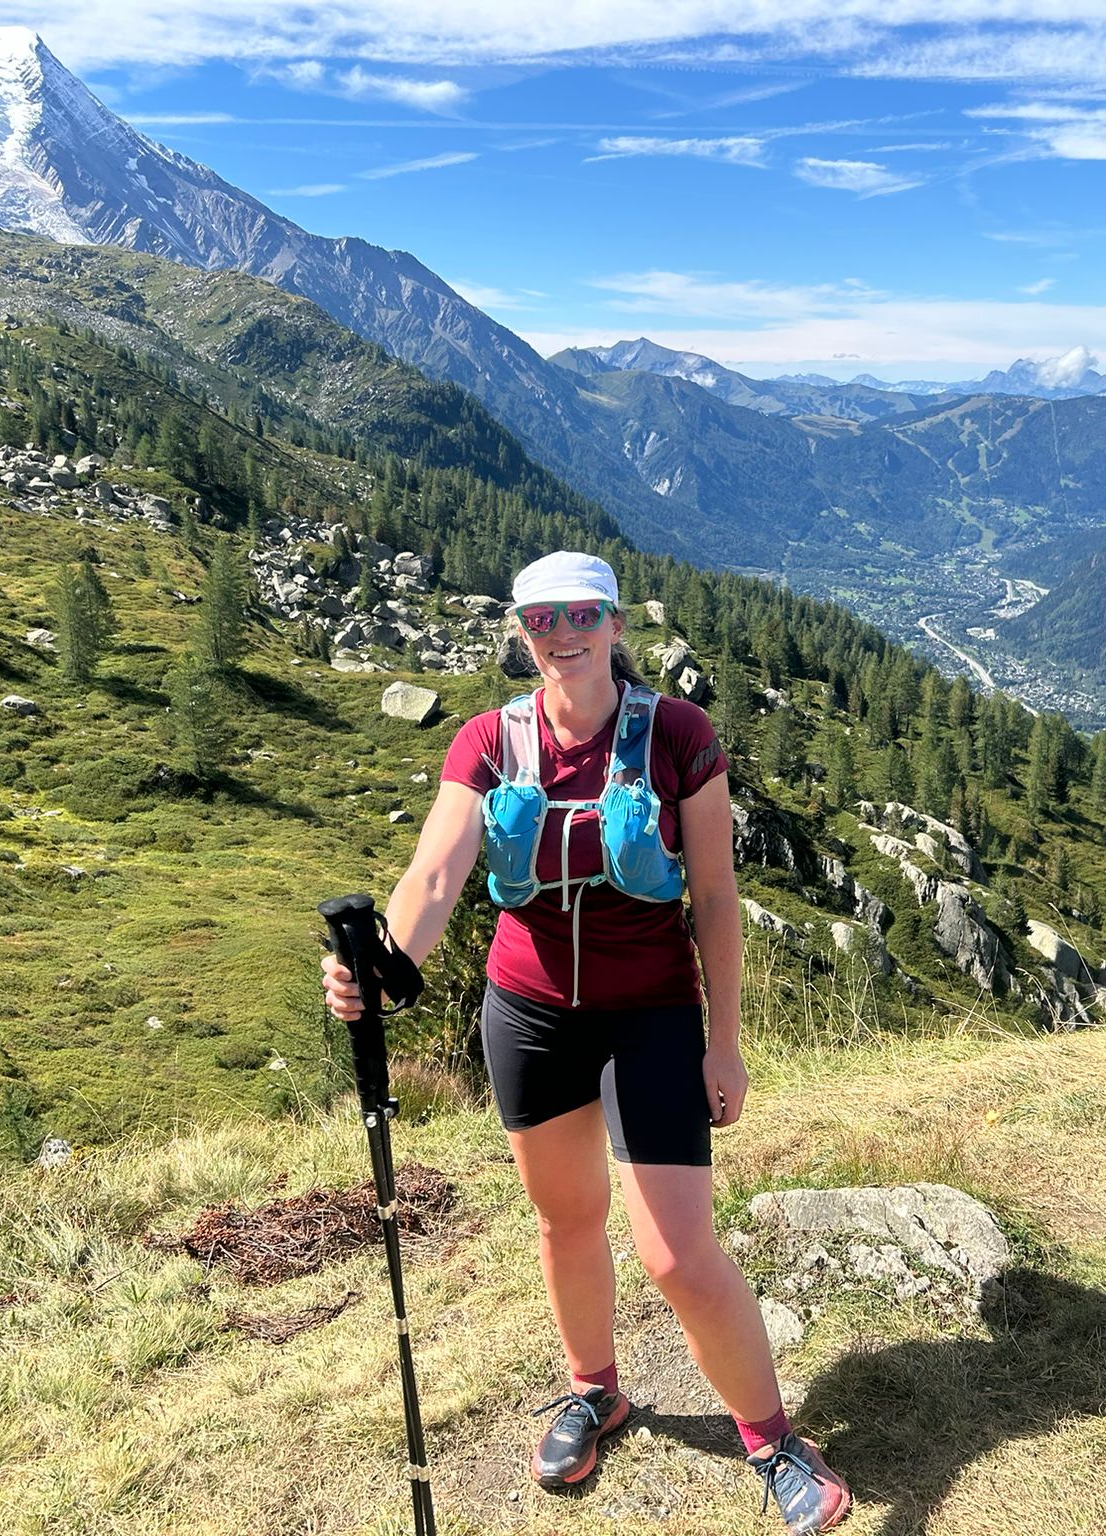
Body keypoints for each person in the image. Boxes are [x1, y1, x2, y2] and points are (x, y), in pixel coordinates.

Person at [321, 550, 849, 1534]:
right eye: (538, 621)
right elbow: (434, 876)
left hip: (649, 1013)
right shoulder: (489, 740)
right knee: (565, 1220)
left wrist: (722, 1045)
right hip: (527, 1013)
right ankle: (592, 1391)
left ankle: (773, 1438)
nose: (559, 635)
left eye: (578, 615)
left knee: (676, 1255)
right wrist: (381, 963)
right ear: (521, 635)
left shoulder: (676, 737)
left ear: (613, 624)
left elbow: (717, 900)